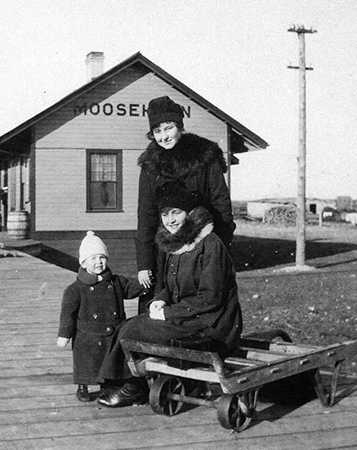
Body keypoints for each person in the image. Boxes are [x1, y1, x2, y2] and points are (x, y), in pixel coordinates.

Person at [97, 181, 243, 407]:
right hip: (187, 316)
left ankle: (133, 388)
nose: (170, 220)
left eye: (176, 212)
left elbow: (211, 297)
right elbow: (168, 285)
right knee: (126, 325)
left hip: (214, 324)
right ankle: (119, 383)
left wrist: (168, 313)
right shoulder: (173, 245)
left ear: (190, 214)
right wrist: (160, 300)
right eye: (165, 214)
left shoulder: (210, 244)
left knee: (133, 329)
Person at [135, 95, 236, 313]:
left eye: (168, 128)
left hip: (200, 247)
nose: (164, 137)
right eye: (157, 132)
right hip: (164, 248)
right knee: (157, 307)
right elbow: (146, 215)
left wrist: (218, 248)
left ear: (180, 126)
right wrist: (144, 263)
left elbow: (221, 203)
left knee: (201, 303)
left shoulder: (204, 156)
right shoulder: (150, 165)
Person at [57, 231, 149, 402]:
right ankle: (83, 386)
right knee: (87, 363)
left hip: (113, 331)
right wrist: (64, 335)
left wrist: (143, 282)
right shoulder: (75, 289)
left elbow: (129, 289)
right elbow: (68, 314)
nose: (99, 262)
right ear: (83, 263)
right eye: (93, 258)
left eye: (102, 257)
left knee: (109, 361)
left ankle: (108, 385)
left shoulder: (115, 282)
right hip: (88, 335)